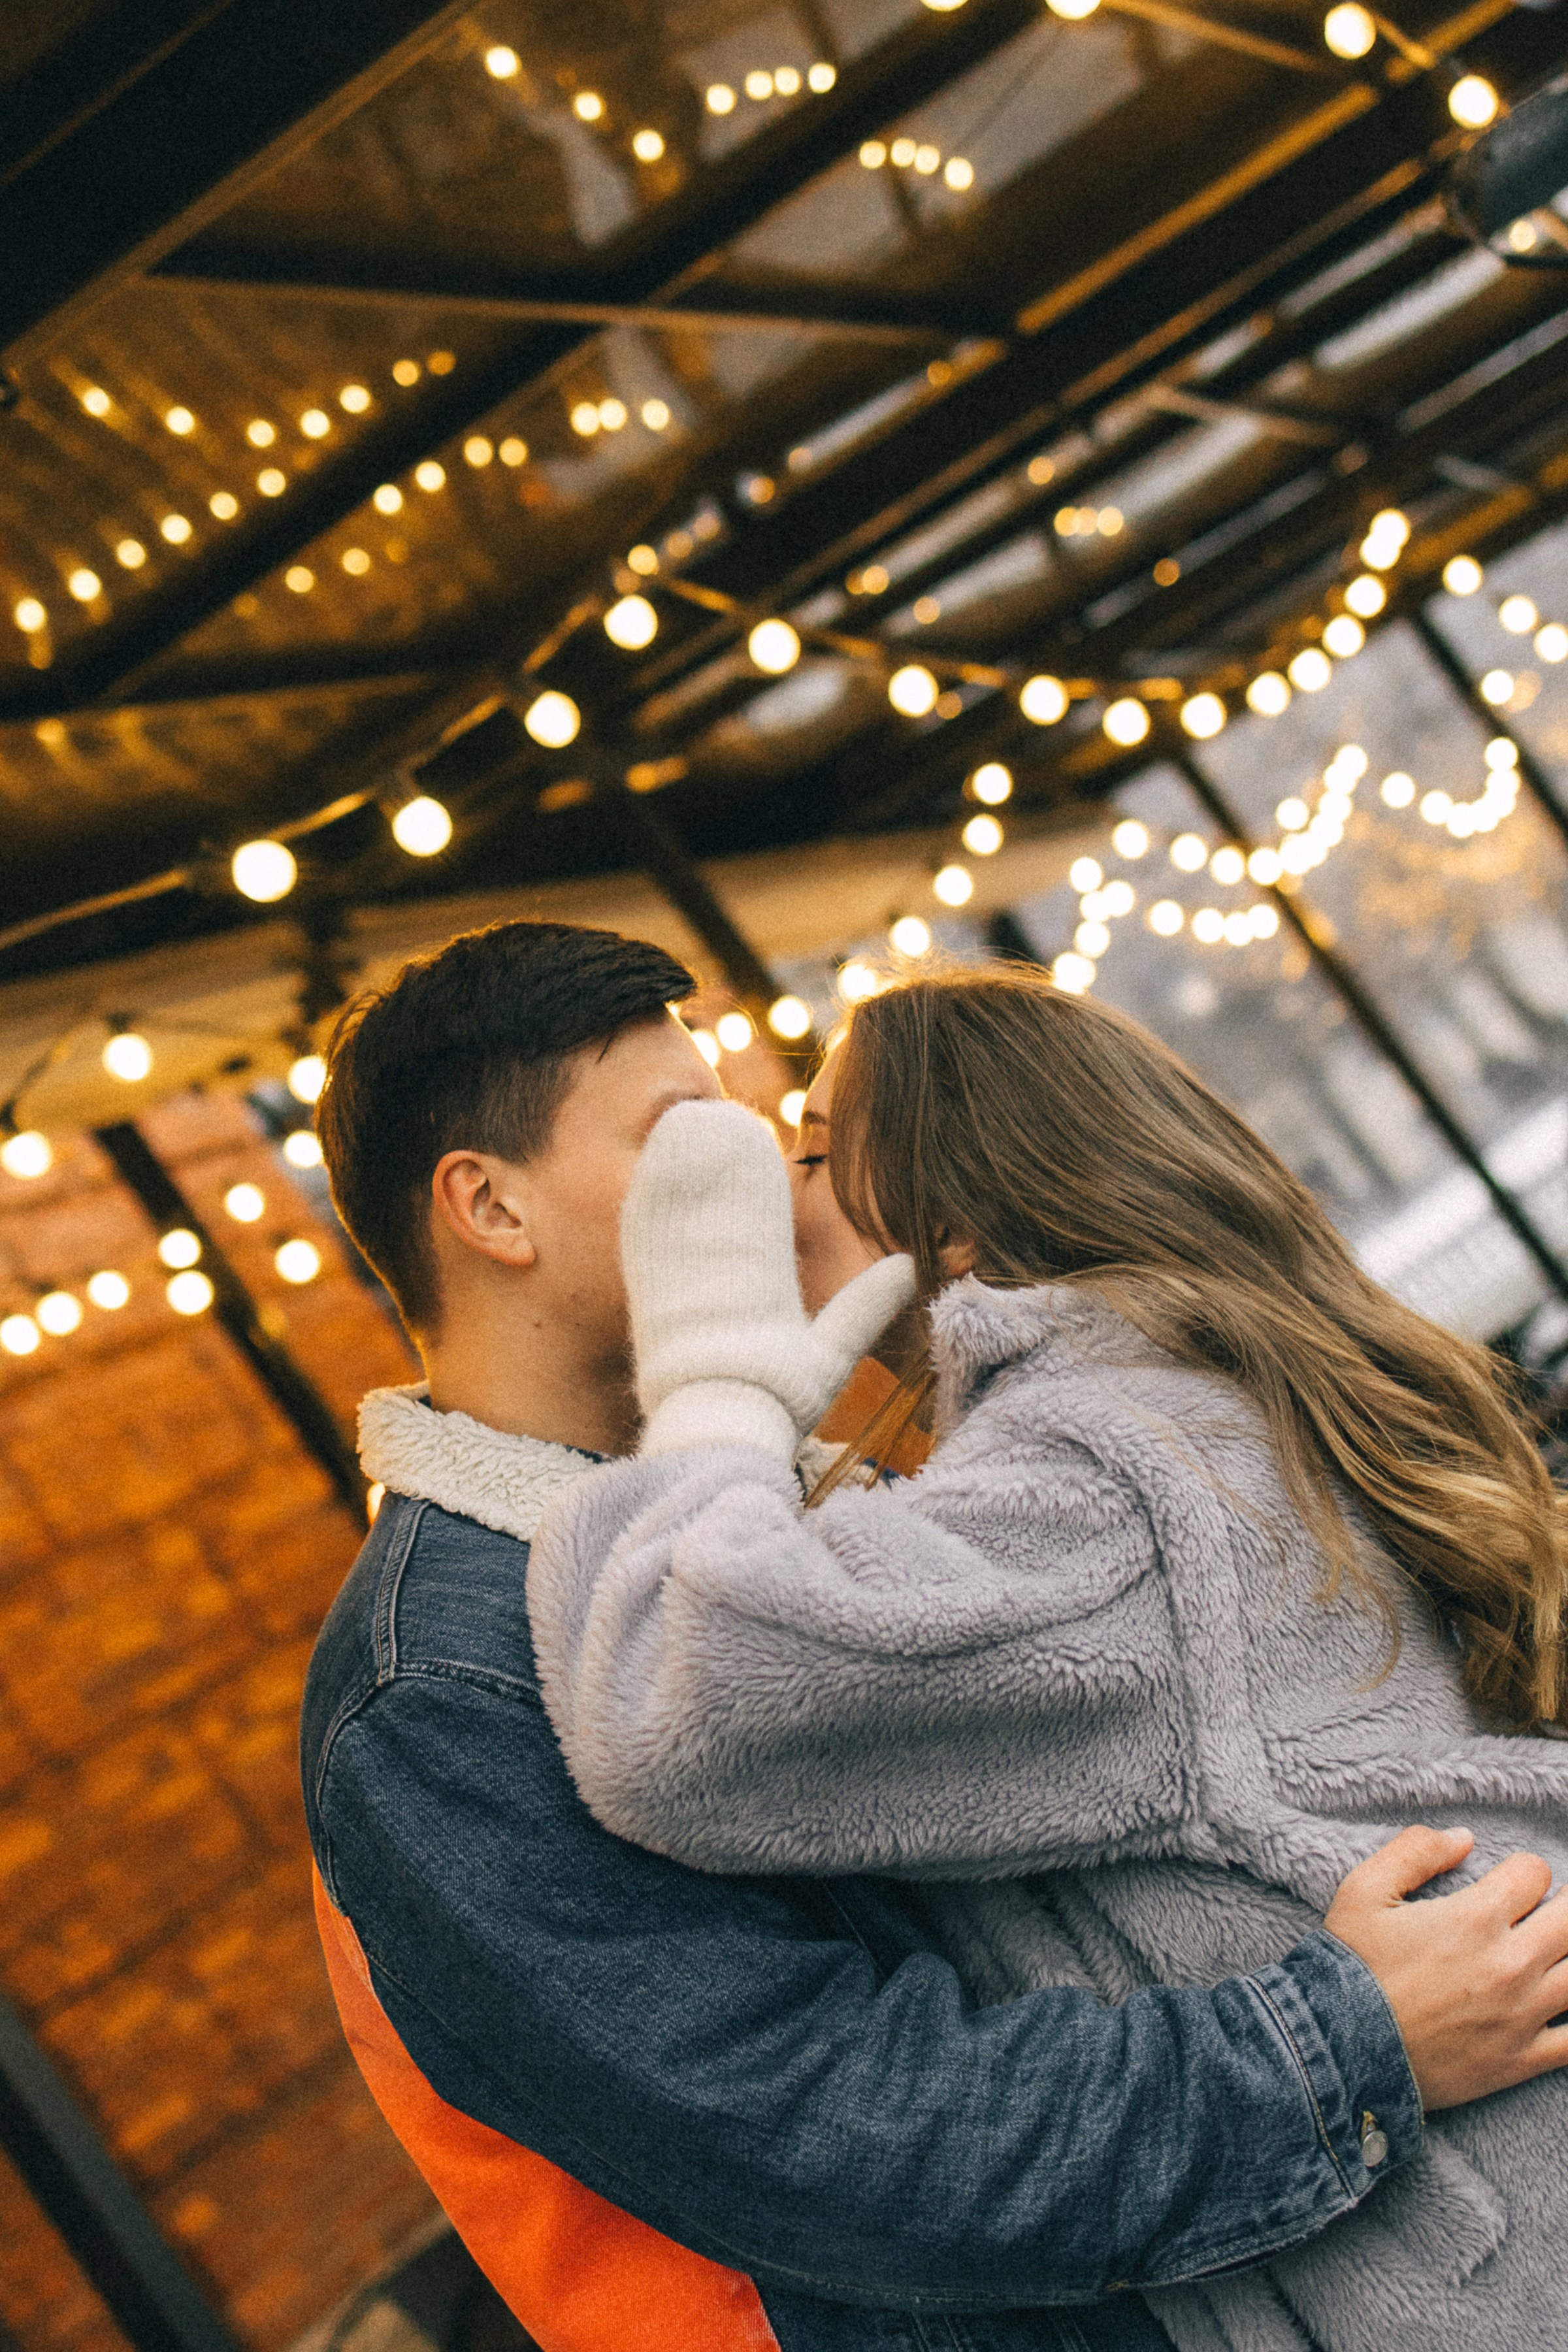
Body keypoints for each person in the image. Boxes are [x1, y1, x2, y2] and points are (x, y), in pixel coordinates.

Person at [299, 922, 1568, 2352]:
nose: (759, 1181)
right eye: (686, 1138)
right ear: (490, 1207)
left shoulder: (867, 1479)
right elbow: (834, 2128)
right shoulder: (433, 1691)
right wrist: (1337, 2047)